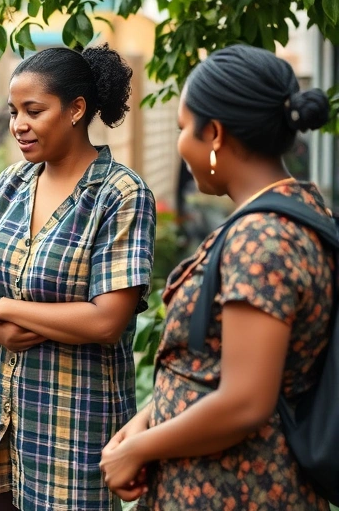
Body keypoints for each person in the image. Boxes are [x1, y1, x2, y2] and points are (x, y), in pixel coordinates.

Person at [100, 45, 333, 510]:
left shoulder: (262, 241)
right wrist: (150, 418)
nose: (181, 142)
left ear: (216, 134)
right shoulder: (294, 210)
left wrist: (139, 449)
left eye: (186, 127)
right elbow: (222, 366)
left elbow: (246, 401)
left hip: (240, 490)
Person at [0, 45, 156, 511]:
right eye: (13, 112)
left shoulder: (120, 196)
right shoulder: (11, 183)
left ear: (76, 110)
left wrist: (2, 307)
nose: (18, 125)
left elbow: (107, 321)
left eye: (33, 111)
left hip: (71, 431)